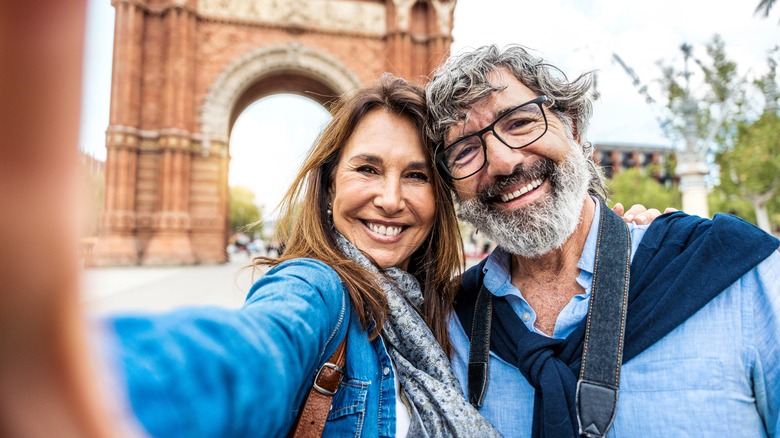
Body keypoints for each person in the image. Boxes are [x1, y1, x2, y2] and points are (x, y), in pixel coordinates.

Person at [102, 73, 501, 437]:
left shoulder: (440, 312)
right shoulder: (314, 287)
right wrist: (91, 381)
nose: (391, 199)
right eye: (367, 169)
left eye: (417, 176)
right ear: (328, 188)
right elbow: (254, 349)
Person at [425, 44, 780, 438]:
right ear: (452, 188)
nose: (504, 162)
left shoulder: (730, 274)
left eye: (519, 123)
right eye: (465, 151)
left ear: (573, 128)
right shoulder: (450, 322)